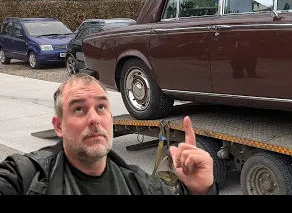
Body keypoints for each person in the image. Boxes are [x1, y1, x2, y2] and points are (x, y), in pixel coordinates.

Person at [0, 73, 217, 195]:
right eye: (79, 109)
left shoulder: (141, 186)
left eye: (101, 107)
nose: (94, 118)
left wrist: (199, 190)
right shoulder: (25, 176)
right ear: (59, 126)